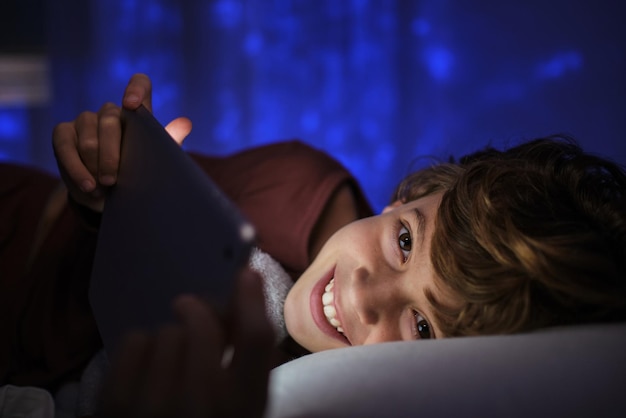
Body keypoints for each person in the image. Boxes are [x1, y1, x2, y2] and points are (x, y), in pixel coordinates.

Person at [2, 73, 626, 416]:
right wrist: (102, 180)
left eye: (424, 327)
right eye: (404, 240)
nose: (364, 289)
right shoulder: (289, 193)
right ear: (405, 197)